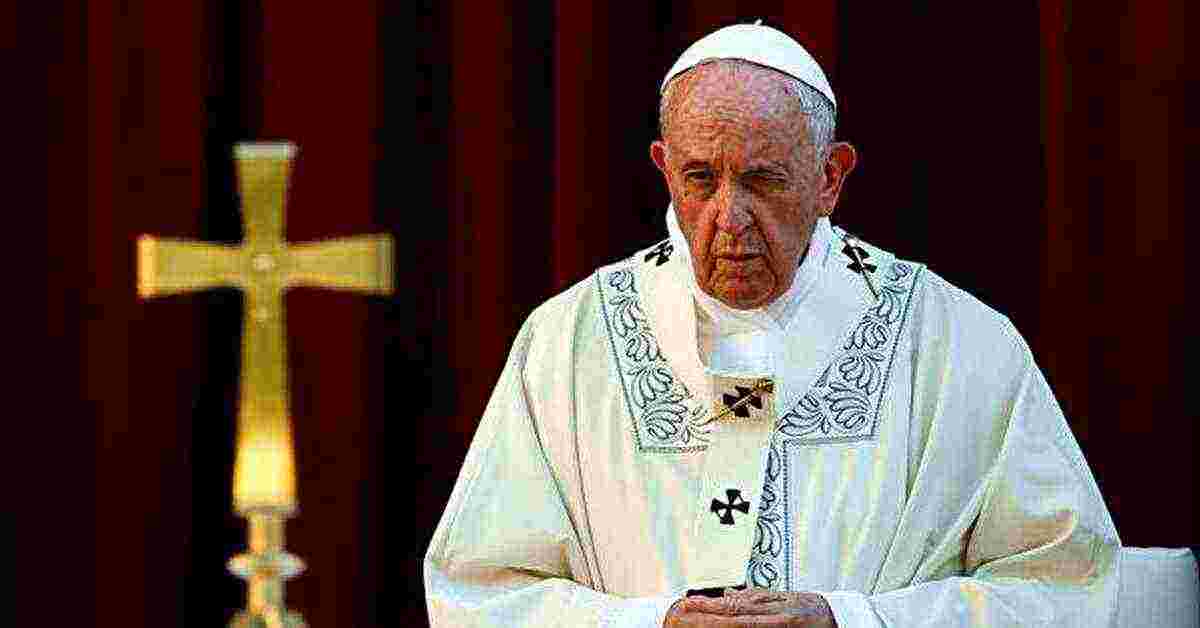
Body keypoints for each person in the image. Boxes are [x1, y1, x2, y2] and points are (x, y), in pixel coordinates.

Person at [424, 21, 1120, 627]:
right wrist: (650, 622)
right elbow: (479, 592)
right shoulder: (568, 344)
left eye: (762, 180)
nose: (729, 218)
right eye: (701, 179)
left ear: (830, 176)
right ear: (664, 168)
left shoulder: (957, 346)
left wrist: (850, 620)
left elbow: (1065, 584)